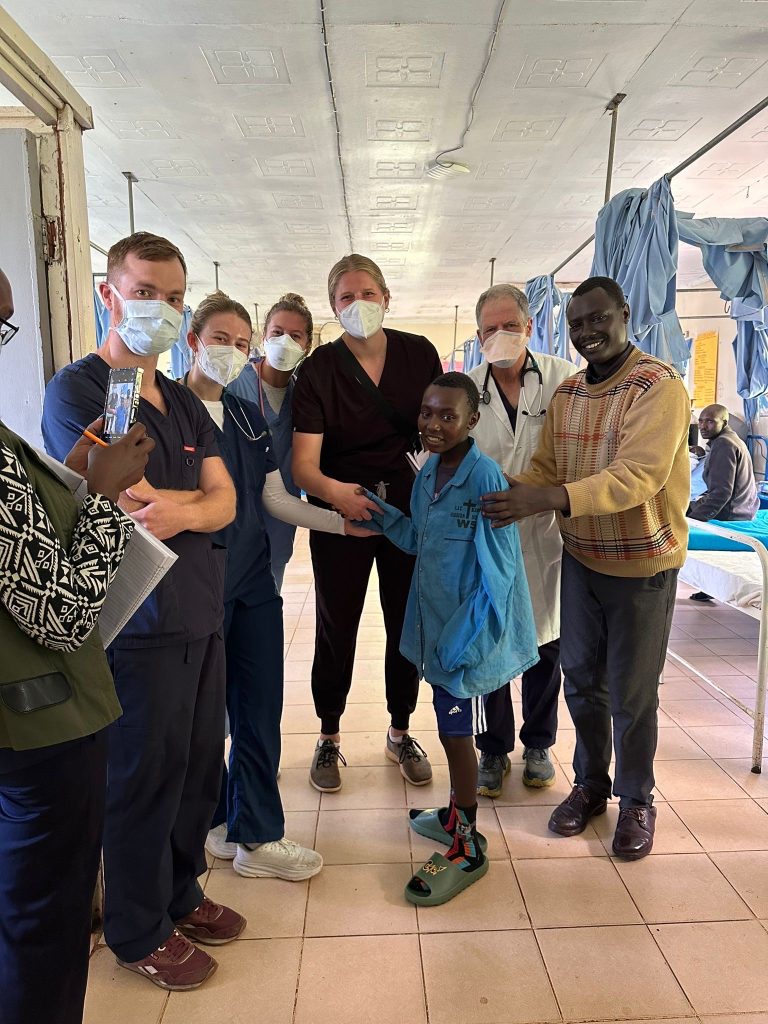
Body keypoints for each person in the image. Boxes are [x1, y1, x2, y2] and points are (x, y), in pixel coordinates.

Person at [42, 232, 243, 991]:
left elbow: (224, 502)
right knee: (143, 776)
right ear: (110, 293)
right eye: (146, 291)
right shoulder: (81, 391)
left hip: (199, 613)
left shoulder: (185, 399)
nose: (159, 309)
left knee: (196, 769)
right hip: (139, 625)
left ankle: (181, 891)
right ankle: (135, 927)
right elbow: (131, 505)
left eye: (172, 297)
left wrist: (187, 509)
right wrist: (192, 507)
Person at [481, 276, 690, 860]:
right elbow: (546, 466)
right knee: (581, 681)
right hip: (582, 558)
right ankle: (591, 786)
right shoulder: (569, 394)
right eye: (577, 324)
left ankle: (637, 800)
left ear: (625, 314)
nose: (588, 332)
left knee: (631, 690)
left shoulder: (657, 385)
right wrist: (490, 494)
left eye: (598, 319)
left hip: (641, 563)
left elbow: (638, 476)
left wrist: (544, 500)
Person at [0, 267, 155, 1024]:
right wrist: (99, 496)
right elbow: (58, 613)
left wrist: (66, 478)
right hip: (35, 725)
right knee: (43, 921)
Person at [181, 291, 371, 879]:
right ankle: (217, 820)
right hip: (191, 588)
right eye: (222, 339)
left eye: (241, 344)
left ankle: (258, 838)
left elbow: (273, 496)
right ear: (193, 340)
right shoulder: (164, 411)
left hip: (251, 581)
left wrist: (342, 522)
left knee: (259, 708)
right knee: (201, 717)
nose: (233, 353)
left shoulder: (245, 414)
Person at [354, 373, 538, 905]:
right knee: (445, 730)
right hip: (432, 629)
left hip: (465, 639)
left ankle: (467, 845)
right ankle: (456, 814)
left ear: (471, 421)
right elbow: (418, 538)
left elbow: (500, 574)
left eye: (447, 416)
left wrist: (464, 641)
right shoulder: (430, 468)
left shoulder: (484, 478)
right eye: (427, 413)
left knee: (460, 739)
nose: (433, 425)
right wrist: (380, 512)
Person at [292, 254, 443, 792]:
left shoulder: (419, 353)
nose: (359, 305)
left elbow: (442, 434)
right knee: (337, 626)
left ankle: (401, 731)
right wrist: (338, 497)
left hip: (408, 515)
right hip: (343, 517)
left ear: (387, 297)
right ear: (333, 308)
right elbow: (304, 463)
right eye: (346, 298)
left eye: (368, 294)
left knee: (407, 626)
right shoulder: (318, 371)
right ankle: (329, 735)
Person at [467, 283, 575, 796]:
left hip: (546, 533)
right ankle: (491, 749)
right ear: (478, 335)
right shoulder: (466, 389)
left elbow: (579, 453)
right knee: (490, 645)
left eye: (510, 325)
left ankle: (538, 744)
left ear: (529, 327)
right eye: (490, 329)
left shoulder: (563, 379)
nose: (500, 335)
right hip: (487, 533)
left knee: (545, 645)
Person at [228, 292, 313, 592]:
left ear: (307, 345)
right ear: (263, 337)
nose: (285, 341)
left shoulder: (305, 397)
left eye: (295, 335)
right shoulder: (234, 381)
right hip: (231, 516)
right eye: (277, 333)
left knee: (269, 603)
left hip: (279, 521)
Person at [688, 403, 759, 601]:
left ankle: (705, 584)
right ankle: (708, 586)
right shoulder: (728, 440)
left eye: (710, 421)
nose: (703, 426)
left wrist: (692, 520)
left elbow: (721, 494)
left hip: (733, 514)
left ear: (724, 422)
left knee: (679, 517)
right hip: (744, 508)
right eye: (701, 421)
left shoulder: (724, 445)